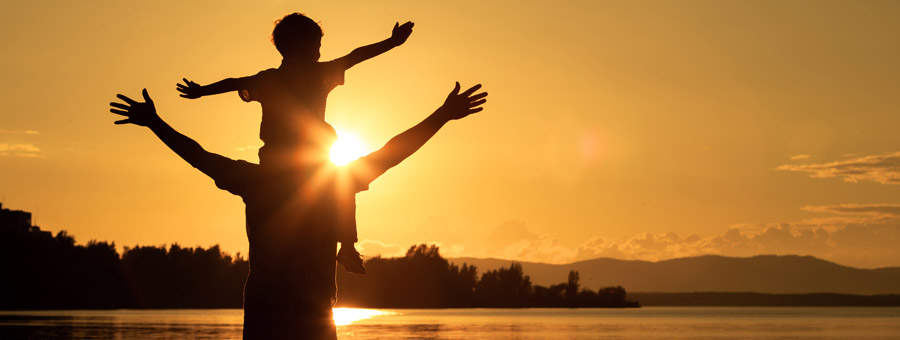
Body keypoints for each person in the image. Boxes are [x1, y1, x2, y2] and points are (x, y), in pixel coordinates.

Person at [110, 83, 486, 339]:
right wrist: (441, 115)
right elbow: (392, 152)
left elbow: (198, 156)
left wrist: (155, 123)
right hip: (306, 306)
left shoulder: (256, 180)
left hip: (274, 304)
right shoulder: (336, 181)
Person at [175, 13, 414, 273]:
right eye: (317, 46)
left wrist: (202, 91)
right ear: (303, 46)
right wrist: (391, 43)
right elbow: (355, 56)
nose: (320, 53)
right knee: (342, 181)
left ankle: (345, 247)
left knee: (340, 179)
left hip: (281, 161)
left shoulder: (268, 79)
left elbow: (235, 83)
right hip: (303, 162)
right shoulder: (318, 73)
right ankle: (346, 246)